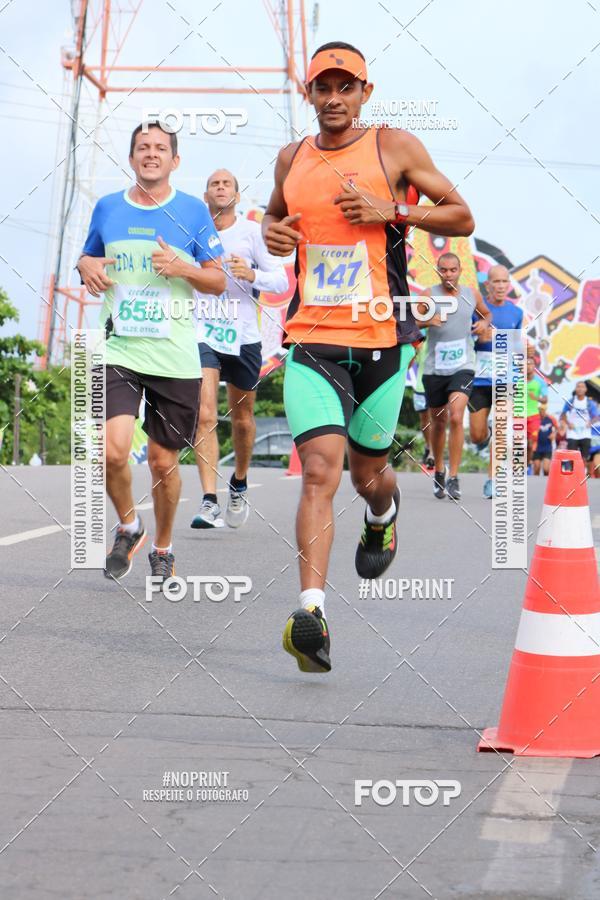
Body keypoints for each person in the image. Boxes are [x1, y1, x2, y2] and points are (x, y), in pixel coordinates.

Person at [262, 41, 475, 673]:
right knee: (322, 473)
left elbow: (461, 216)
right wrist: (275, 235)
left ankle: (383, 513)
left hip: (383, 343)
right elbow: (279, 225)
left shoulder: (394, 148)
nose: (334, 98)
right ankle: (311, 614)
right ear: (309, 95)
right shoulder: (289, 159)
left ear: (364, 93)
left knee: (366, 475)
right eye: (322, 88)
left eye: (345, 87)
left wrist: (394, 211)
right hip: (312, 340)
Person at [77, 121, 225, 582]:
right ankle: (128, 525)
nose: (151, 153)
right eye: (143, 146)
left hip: (176, 356)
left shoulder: (193, 211)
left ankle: (163, 546)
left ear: (174, 161)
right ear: (132, 157)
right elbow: (88, 256)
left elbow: (218, 280)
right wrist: (84, 265)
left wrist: (184, 266)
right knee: (111, 452)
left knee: (163, 462)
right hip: (120, 349)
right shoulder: (107, 208)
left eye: (161, 147)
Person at [191, 169, 287, 529]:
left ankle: (240, 481)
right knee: (204, 415)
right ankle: (209, 500)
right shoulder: (194, 231)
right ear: (206, 194)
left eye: (226, 183)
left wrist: (252, 274)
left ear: (236, 194)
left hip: (244, 335)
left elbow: (279, 278)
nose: (219, 187)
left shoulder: (251, 232)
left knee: (243, 419)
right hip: (203, 331)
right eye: (213, 183)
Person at [421, 253, 491, 501]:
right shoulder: (429, 295)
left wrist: (483, 325)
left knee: (457, 416)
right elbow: (412, 320)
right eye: (444, 270)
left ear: (460, 270)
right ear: (437, 270)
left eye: (453, 270)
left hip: (463, 365)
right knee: (438, 423)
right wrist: (428, 320)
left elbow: (486, 314)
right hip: (434, 369)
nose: (448, 274)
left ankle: (453, 476)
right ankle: (439, 470)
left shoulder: (471, 294)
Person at [468, 265, 523, 498]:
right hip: (479, 380)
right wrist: (478, 336)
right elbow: (466, 341)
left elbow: (517, 345)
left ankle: (493, 479)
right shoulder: (479, 310)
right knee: (476, 436)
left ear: (508, 285)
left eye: (504, 282)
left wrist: (521, 369)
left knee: (501, 428)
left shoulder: (516, 313)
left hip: (505, 379)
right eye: (496, 282)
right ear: (488, 284)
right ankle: (485, 438)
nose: (500, 286)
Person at [560, 380, 598, 462]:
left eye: (582, 387)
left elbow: (597, 417)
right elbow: (562, 415)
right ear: (575, 389)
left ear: (585, 389)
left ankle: (582, 473)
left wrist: (590, 422)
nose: (580, 389)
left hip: (585, 433)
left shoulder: (589, 403)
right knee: (571, 457)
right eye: (578, 387)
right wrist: (568, 423)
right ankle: (573, 474)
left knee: (584, 457)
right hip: (572, 433)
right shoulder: (570, 402)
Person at [412, 334, 434, 469]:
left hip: (436, 386)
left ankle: (432, 452)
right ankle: (428, 445)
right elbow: (415, 360)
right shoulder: (421, 339)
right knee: (424, 421)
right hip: (420, 386)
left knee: (435, 420)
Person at [526, 356, 548, 466]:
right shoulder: (515, 380)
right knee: (517, 443)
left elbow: (545, 400)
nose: (528, 366)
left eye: (530, 364)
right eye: (525, 364)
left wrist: (536, 398)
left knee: (530, 444)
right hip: (517, 416)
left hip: (533, 416)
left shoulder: (540, 382)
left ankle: (526, 464)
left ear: (534, 366)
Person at [532, 398, 556, 475]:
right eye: (540, 409)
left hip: (547, 447)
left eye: (543, 409)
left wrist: (553, 434)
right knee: (536, 468)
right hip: (537, 447)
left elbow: (557, 428)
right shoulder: (534, 419)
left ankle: (547, 483)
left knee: (546, 469)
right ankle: (536, 485)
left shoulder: (551, 418)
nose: (541, 411)